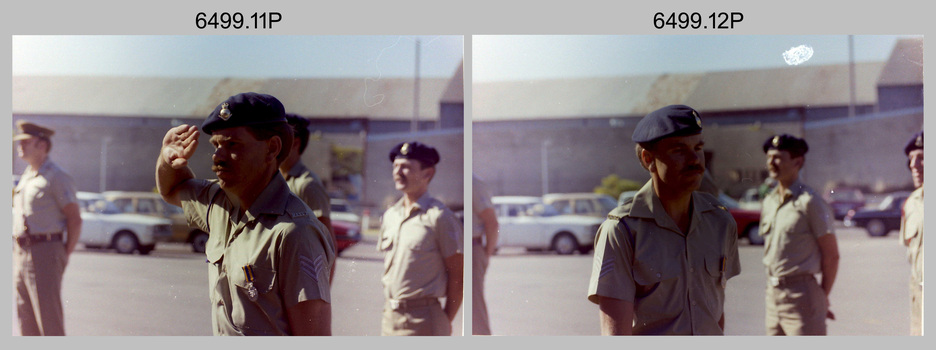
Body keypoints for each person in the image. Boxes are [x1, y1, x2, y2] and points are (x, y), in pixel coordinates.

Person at [156, 92, 335, 336]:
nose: (218, 156)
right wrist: (167, 160)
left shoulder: (296, 232)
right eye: (216, 145)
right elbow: (172, 189)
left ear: (271, 148)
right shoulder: (217, 203)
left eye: (232, 145)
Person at [587, 104, 741, 335]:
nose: (694, 159)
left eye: (698, 148)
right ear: (649, 158)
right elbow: (615, 335)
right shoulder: (622, 230)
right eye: (679, 150)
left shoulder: (720, 222)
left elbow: (715, 311)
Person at [378, 141, 463, 336]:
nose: (398, 172)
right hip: (389, 318)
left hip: (423, 320)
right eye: (395, 166)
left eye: (406, 167)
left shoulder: (440, 217)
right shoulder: (391, 215)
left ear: (427, 173)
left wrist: (442, 321)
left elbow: (458, 276)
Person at [759, 134, 840, 336]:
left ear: (798, 162)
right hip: (772, 296)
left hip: (802, 296)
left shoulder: (810, 202)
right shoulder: (769, 201)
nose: (771, 162)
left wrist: (822, 295)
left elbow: (832, 255)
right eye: (769, 157)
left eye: (778, 157)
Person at [13, 120, 82, 336]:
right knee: (26, 321)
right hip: (21, 252)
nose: (20, 147)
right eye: (19, 142)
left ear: (42, 145)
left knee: (49, 321)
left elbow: (74, 219)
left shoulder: (57, 177)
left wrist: (64, 253)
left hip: (45, 251)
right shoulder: (28, 175)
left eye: (26, 142)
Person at [281, 114, 337, 281]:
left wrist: (322, 300)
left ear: (295, 143)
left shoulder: (307, 185)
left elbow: (328, 246)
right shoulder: (274, 181)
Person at [899, 131, 923, 336]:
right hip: (918, 296)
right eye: (911, 159)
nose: (914, 166)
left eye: (922, 158)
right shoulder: (911, 204)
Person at [471, 173, 498, 335]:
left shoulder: (472, 183)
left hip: (471, 248)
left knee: (474, 309)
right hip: (444, 248)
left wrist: (486, 254)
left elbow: (492, 222)